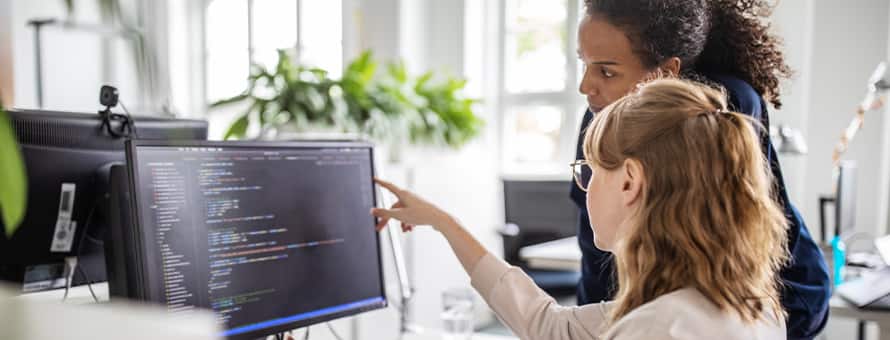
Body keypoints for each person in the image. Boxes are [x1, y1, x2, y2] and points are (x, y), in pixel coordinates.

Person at [372, 79, 790, 339]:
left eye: (589, 171)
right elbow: (554, 327)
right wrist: (445, 224)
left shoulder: (660, 327)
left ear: (629, 181)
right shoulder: (749, 305)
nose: (583, 189)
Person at [571, 1, 830, 338]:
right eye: (584, 64)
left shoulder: (718, 108)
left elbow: (735, 244)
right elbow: (597, 260)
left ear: (665, 71)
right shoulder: (598, 116)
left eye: (607, 71)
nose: (586, 86)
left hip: (779, 296)